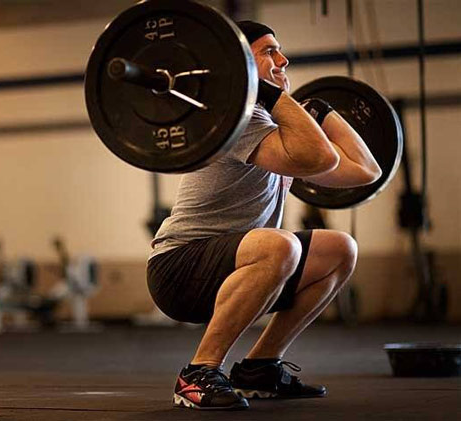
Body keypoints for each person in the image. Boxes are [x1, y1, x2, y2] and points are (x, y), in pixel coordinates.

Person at [146, 20, 382, 410]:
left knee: (340, 248)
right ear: (240, 63)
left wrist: (322, 110)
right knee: (281, 246)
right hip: (179, 268)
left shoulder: (274, 130)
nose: (283, 59)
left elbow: (365, 171)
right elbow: (320, 157)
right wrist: (270, 95)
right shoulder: (236, 119)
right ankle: (197, 374)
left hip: (241, 262)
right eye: (269, 51)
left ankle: (259, 369)